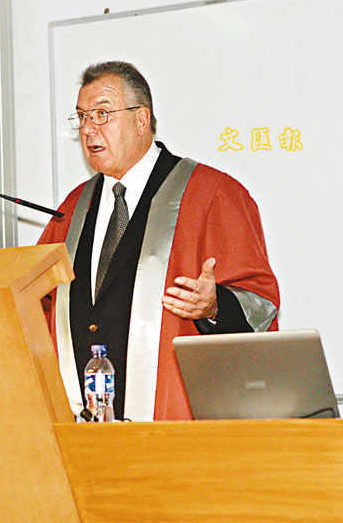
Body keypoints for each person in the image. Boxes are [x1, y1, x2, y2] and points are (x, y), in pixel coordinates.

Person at [39, 61, 280, 422]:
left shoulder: (213, 194)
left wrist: (215, 307)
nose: (88, 129)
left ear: (141, 119)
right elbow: (40, 304)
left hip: (176, 424)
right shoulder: (73, 208)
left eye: (102, 114)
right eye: (82, 117)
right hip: (83, 426)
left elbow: (260, 305)